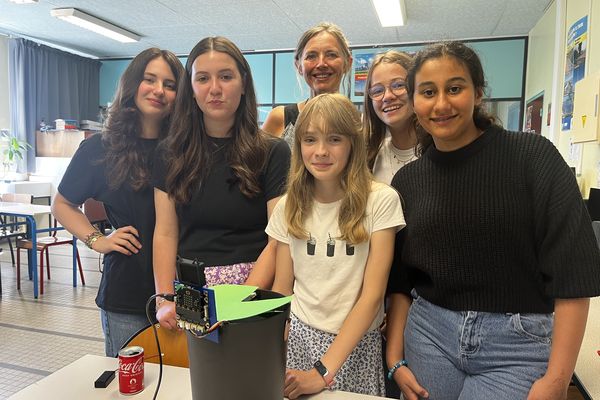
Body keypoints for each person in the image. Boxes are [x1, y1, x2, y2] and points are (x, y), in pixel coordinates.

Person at [386, 41, 600, 400]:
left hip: (515, 345)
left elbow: (572, 273)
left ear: (478, 94)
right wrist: (394, 359)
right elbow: (402, 282)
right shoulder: (408, 181)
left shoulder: (533, 156)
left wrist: (557, 379)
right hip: (429, 336)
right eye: (427, 92)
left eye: (455, 88)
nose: (441, 103)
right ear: (414, 102)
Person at [268, 93, 405, 398]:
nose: (320, 151)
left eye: (334, 139)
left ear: (352, 144)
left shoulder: (380, 200)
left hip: (354, 346)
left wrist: (323, 371)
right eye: (309, 139)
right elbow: (281, 287)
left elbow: (372, 297)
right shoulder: (288, 206)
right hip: (300, 341)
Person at [52, 48, 184, 357]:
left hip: (186, 293)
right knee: (131, 384)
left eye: (170, 84)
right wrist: (98, 240)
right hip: (128, 292)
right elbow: (62, 204)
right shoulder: (100, 148)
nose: (159, 91)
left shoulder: (185, 148)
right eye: (149, 79)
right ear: (132, 83)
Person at [152, 36, 290, 330]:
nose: (215, 89)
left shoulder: (273, 151)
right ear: (191, 88)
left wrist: (237, 302)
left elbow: (277, 240)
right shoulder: (169, 153)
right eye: (203, 78)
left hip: (253, 289)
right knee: (195, 374)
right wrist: (164, 298)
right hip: (190, 288)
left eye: (226, 77)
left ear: (243, 84)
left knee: (247, 374)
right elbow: (165, 232)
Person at [262, 22, 353, 146]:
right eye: (311, 56)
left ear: (348, 63)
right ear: (299, 66)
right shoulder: (280, 119)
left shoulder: (360, 123)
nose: (321, 63)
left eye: (331, 55)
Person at [363, 50, 418, 183]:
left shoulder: (440, 149)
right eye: (377, 90)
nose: (388, 96)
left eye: (399, 85)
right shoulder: (368, 158)